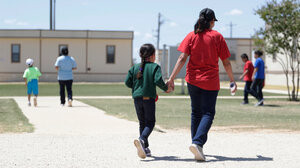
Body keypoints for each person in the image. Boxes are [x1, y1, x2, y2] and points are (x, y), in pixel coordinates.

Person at [167, 8, 236, 161]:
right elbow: (226, 62)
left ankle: (196, 144)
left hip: (192, 80)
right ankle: (197, 143)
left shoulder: (192, 35)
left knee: (196, 112)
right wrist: (232, 80)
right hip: (210, 81)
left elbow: (182, 58)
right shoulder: (217, 36)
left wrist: (171, 78)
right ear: (212, 21)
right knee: (208, 113)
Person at [125, 43, 171, 159]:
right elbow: (158, 80)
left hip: (137, 98)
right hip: (148, 98)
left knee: (142, 122)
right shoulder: (155, 67)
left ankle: (144, 148)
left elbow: (127, 82)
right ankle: (142, 139)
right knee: (150, 122)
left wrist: (137, 88)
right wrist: (166, 88)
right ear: (152, 55)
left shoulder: (134, 68)